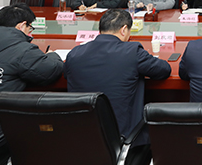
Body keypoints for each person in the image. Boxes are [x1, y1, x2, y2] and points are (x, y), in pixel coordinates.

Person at [64, 9, 171, 156]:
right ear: (124, 29)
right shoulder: (132, 51)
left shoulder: (74, 54)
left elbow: (66, 75)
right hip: (124, 141)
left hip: (82, 138)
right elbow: (164, 69)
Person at [0, 4, 64, 153]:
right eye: (30, 29)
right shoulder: (20, 48)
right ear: (21, 26)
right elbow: (49, 71)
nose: (30, 34)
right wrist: (52, 55)